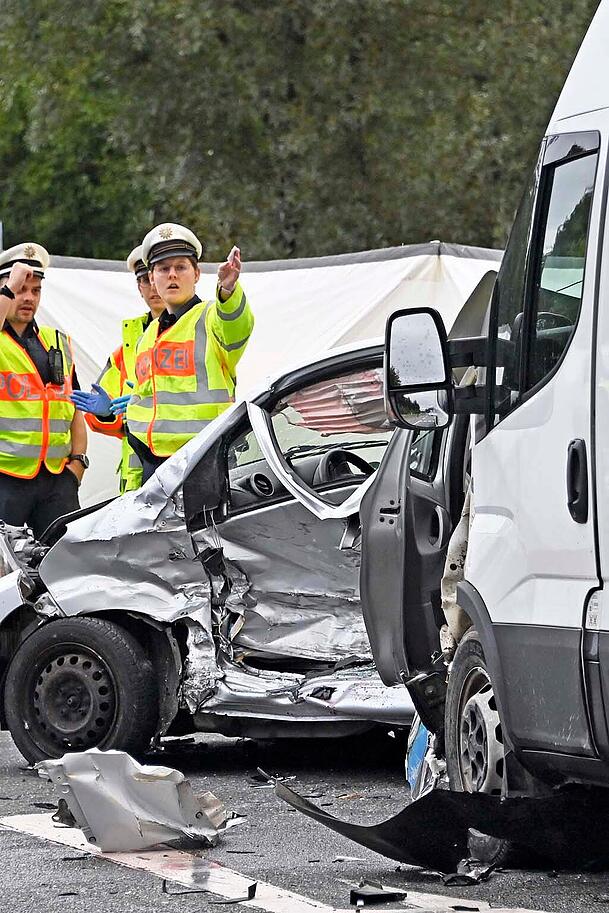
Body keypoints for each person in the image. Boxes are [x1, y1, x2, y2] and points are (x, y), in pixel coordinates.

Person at [121, 223, 253, 483]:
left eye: (180, 267)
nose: (172, 275)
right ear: (151, 277)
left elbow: (237, 325)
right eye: (163, 268)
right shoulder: (146, 337)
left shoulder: (211, 316)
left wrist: (228, 291)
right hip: (154, 466)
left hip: (205, 458)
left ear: (196, 274)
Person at [0, 243, 88, 539]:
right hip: (6, 480)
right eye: (20, 289)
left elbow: (73, 408)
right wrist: (7, 288)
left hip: (55, 481)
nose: (27, 298)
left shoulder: (57, 341)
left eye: (35, 290)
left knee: (65, 569)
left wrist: (77, 465)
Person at [72, 244, 165, 492]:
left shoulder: (199, 328)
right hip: (138, 475)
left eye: (157, 275)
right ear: (139, 287)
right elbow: (101, 414)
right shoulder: (127, 347)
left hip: (190, 461)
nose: (153, 286)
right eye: (145, 280)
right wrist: (106, 413)